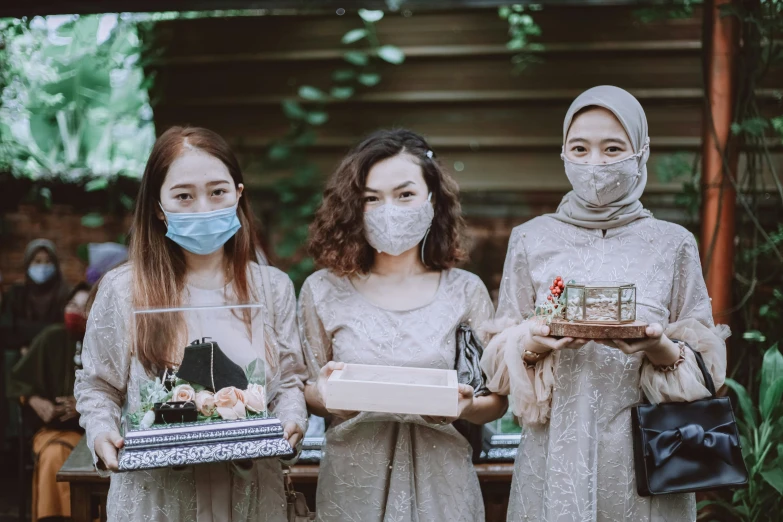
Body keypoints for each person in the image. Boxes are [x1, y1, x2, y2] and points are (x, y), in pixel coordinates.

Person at [480, 86, 728, 521]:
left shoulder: (673, 245)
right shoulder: (531, 238)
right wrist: (535, 342)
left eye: (613, 148)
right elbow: (498, 365)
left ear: (640, 152)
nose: (594, 162)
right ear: (563, 153)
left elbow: (706, 374)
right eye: (580, 147)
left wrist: (659, 347)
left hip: (648, 463)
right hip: (554, 456)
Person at [74, 126, 308, 521]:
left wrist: (292, 419)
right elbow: (98, 385)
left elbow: (287, 382)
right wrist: (101, 433)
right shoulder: (123, 290)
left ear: (238, 193)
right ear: (158, 207)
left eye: (217, 191)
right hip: (157, 499)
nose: (203, 207)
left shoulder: (273, 287)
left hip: (251, 498)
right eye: (184, 195)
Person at [299, 129, 508, 522]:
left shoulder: (465, 291)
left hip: (443, 484)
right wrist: (326, 395)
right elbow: (305, 387)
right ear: (353, 208)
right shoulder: (322, 291)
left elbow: (496, 400)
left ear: (433, 199)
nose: (388, 209)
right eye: (371, 199)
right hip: (353, 484)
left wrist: (464, 407)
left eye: (404, 194)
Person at [9, 282, 90, 522]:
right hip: (54, 430)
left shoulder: (107, 340)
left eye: (85, 307)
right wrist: (34, 400)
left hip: (96, 431)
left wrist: (84, 404)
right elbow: (18, 379)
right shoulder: (50, 337)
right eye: (72, 305)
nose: (76, 311)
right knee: (55, 455)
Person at [1, 239, 71, 354]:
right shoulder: (17, 293)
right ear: (28, 264)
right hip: (20, 354)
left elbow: (64, 332)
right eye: (37, 261)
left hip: (55, 354)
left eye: (48, 261)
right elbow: (6, 328)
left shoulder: (65, 294)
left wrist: (23, 329)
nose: (42, 267)